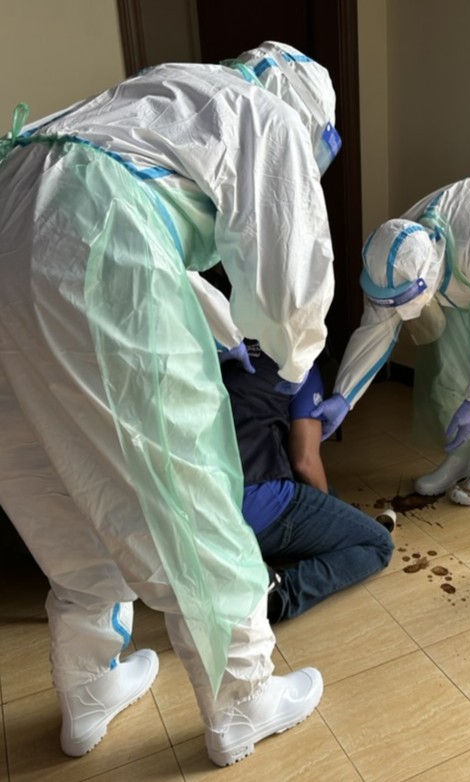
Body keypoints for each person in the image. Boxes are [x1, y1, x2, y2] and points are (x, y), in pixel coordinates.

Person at [0, 40, 340, 767]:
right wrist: (297, 365)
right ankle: (244, 701)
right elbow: (289, 280)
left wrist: (234, 331)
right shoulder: (267, 116)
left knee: (49, 478)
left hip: (11, 218)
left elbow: (126, 230)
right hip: (93, 237)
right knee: (186, 484)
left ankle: (88, 692)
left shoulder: (160, 91)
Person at [310, 176, 470, 506]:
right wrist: (345, 395)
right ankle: (465, 455)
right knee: (452, 368)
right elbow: (378, 326)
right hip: (467, 265)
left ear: (424, 282)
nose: (394, 310)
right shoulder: (398, 248)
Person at [220, 341, 393, 622]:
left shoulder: (221, 346)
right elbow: (305, 461)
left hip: (194, 505)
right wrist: (331, 529)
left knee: (327, 495)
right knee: (378, 544)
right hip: (253, 505)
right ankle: (279, 595)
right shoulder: (300, 361)